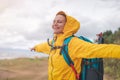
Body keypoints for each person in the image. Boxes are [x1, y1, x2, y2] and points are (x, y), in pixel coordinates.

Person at [31, 11, 120, 80]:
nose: (55, 24)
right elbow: (44, 46)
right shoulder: (54, 43)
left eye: (59, 22)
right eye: (54, 21)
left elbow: (100, 49)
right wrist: (35, 48)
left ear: (67, 25)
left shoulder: (73, 43)